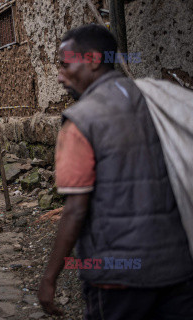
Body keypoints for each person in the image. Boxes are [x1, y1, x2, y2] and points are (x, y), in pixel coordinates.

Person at [38, 24, 193, 319]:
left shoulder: (81, 120)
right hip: (176, 267)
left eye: (65, 65)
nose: (59, 76)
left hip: (117, 278)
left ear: (94, 60)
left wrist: (49, 278)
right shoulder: (159, 99)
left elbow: (75, 211)